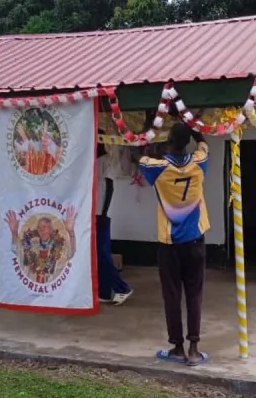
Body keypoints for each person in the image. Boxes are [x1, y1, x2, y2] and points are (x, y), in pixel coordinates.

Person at [139, 122, 210, 367]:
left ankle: (177, 347)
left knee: (172, 295)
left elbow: (143, 153)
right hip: (195, 240)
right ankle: (194, 349)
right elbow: (204, 144)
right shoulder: (199, 162)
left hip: (169, 243)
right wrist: (195, 126)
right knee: (194, 294)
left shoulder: (157, 168)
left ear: (168, 140)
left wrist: (151, 126)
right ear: (188, 140)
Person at [96, 134, 133, 305]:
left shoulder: (104, 160)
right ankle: (104, 292)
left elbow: (109, 186)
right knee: (99, 254)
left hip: (100, 213)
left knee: (102, 254)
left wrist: (103, 213)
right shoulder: (94, 159)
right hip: (94, 212)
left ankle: (122, 288)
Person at [4, 208, 76, 283]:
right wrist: (14, 232)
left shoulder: (59, 246)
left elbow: (71, 252)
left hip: (54, 289)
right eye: (39, 227)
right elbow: (15, 249)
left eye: (44, 227)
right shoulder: (31, 245)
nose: (41, 230)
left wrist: (70, 231)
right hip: (31, 290)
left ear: (51, 229)